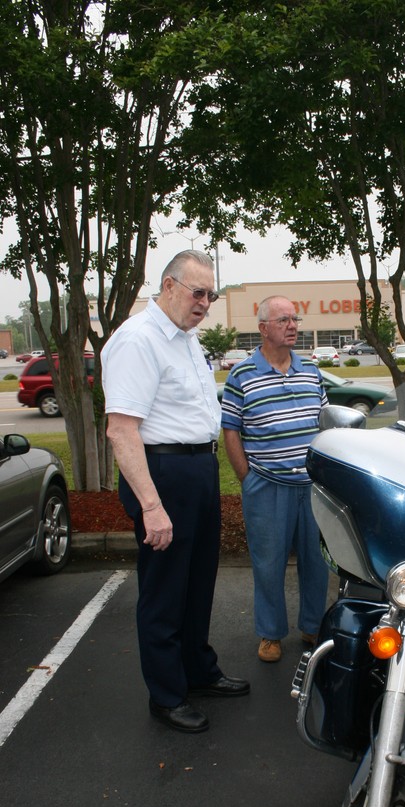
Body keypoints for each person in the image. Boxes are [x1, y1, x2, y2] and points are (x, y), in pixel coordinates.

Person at [102, 249, 250, 733]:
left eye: (211, 294)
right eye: (197, 292)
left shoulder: (184, 339)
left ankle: (196, 671)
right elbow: (122, 431)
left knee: (197, 582)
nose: (205, 302)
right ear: (168, 287)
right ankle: (166, 695)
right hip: (162, 476)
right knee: (165, 590)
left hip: (197, 472)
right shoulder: (138, 341)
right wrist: (151, 506)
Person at [220, 295, 330, 663]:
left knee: (317, 562)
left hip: (311, 488)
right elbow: (231, 430)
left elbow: (326, 422)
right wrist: (246, 478)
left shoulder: (311, 371)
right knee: (268, 564)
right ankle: (270, 634)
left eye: (294, 319)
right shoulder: (242, 375)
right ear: (263, 328)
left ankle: (313, 626)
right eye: (283, 320)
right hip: (266, 486)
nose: (292, 326)